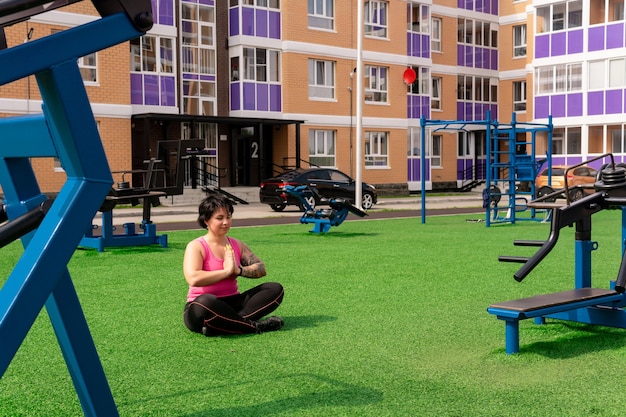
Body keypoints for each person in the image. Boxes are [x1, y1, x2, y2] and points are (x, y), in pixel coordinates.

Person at [183, 195, 285, 336]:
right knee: (205, 301)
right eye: (219, 218)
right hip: (203, 307)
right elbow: (193, 278)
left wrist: (238, 270)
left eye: (229, 217)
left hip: (234, 304)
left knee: (275, 288)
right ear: (206, 220)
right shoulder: (196, 246)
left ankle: (225, 324)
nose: (226, 222)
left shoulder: (237, 244)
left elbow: (261, 268)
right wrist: (226, 271)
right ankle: (255, 326)